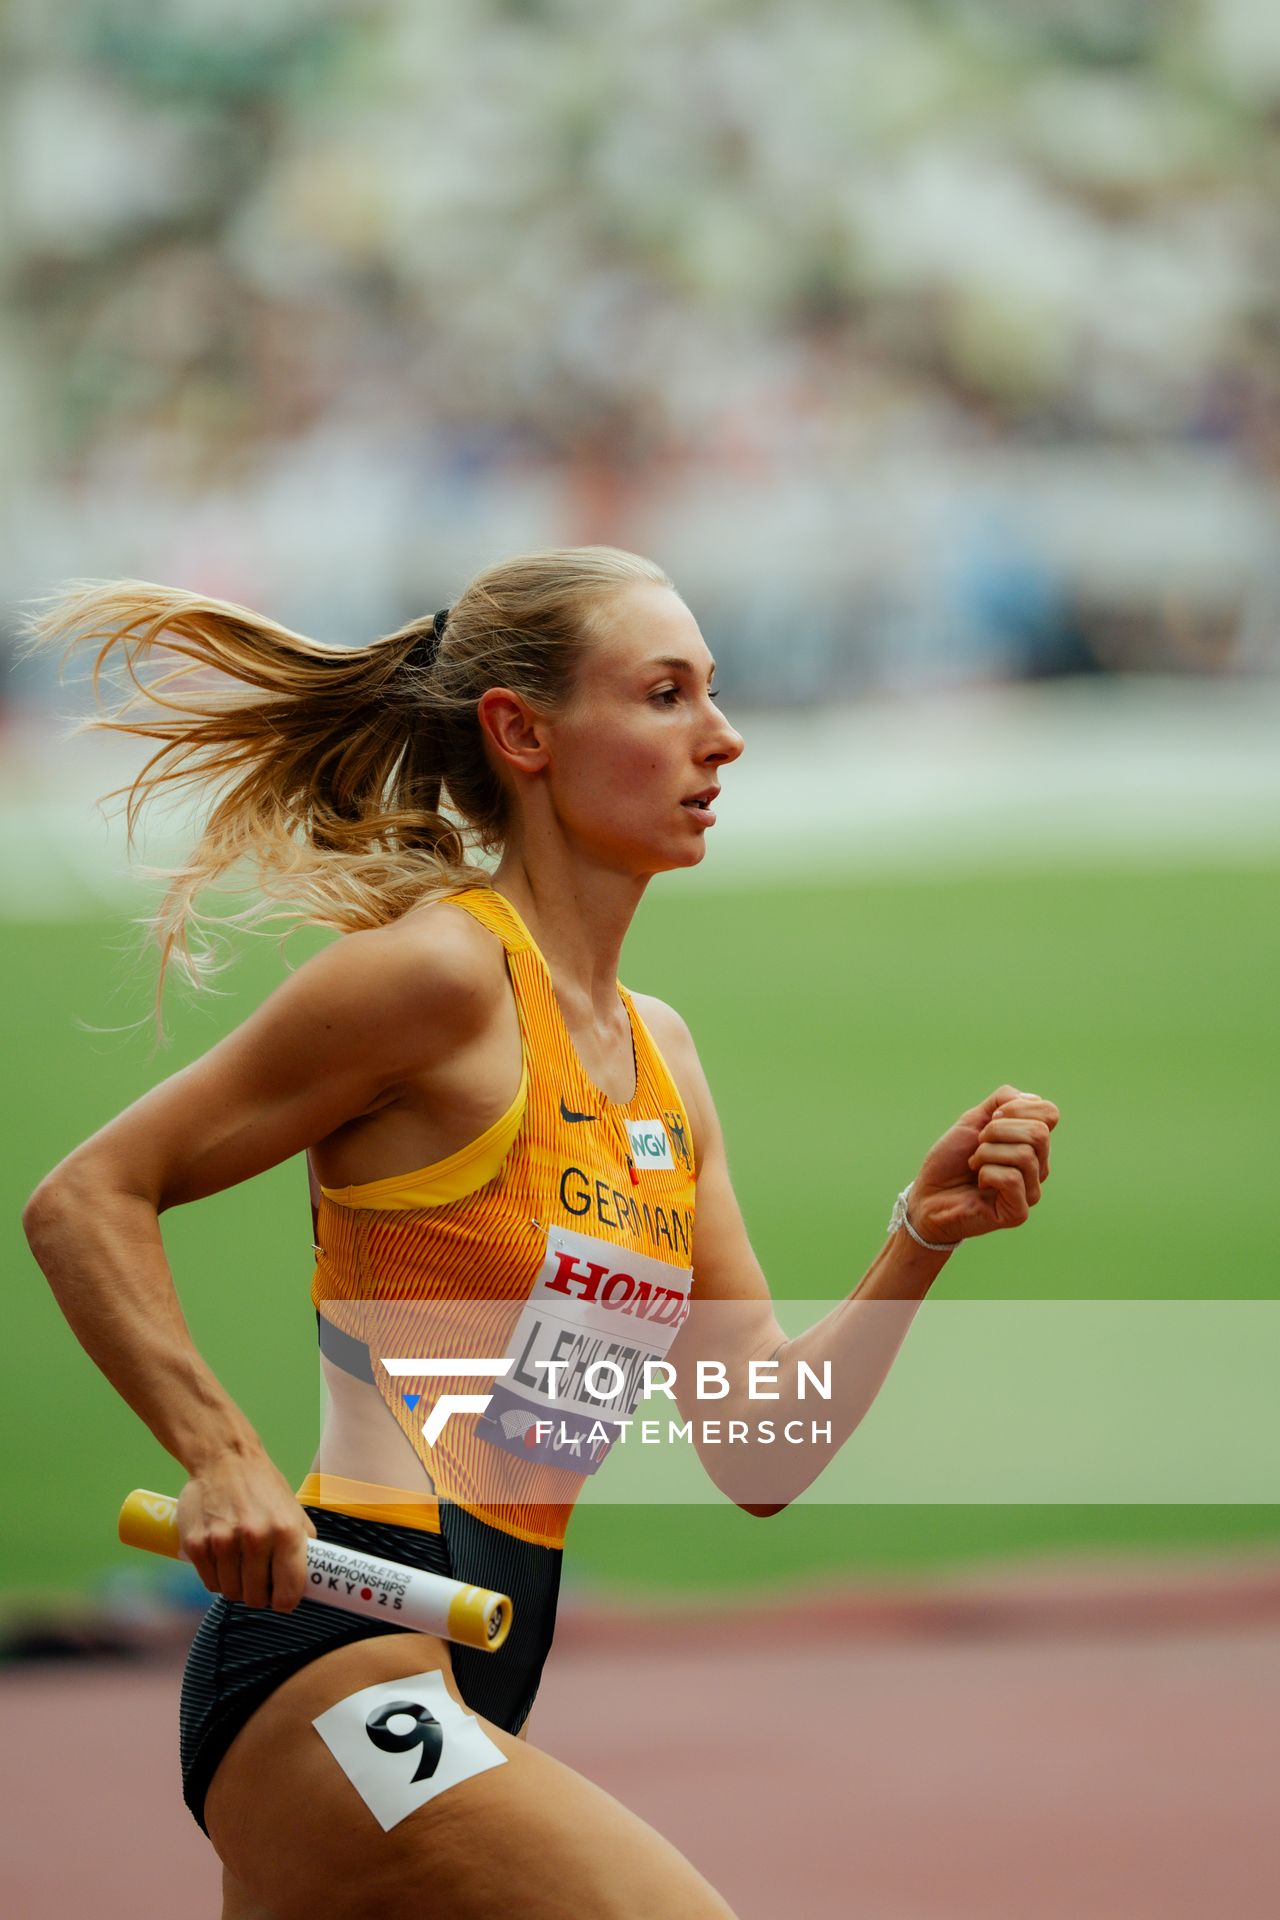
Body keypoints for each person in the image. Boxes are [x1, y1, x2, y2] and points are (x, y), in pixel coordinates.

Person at [22, 547, 1059, 1920]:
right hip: (346, 1643)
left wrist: (917, 1239)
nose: (723, 735)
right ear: (521, 732)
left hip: (489, 1659)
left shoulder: (661, 1064)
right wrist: (219, 1454)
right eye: (666, 693)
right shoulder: (438, 977)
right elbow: (86, 1197)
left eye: (713, 693)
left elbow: (762, 1448)